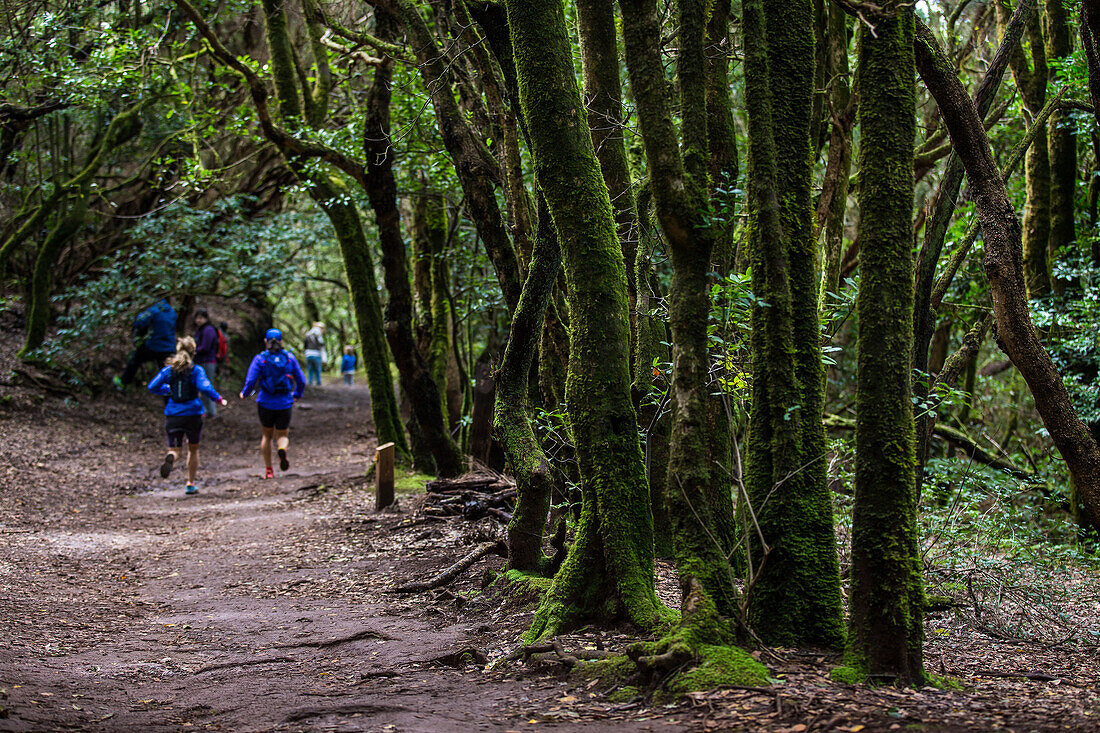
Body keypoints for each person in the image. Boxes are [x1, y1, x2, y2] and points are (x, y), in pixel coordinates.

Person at [147, 336, 227, 495]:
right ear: (193, 352)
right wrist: (218, 399)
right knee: (193, 449)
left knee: (175, 449)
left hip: (173, 414)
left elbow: (152, 386)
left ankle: (171, 457)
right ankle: (190, 483)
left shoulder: (168, 371)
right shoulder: (196, 370)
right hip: (193, 414)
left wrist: (167, 390)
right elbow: (205, 387)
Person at [239, 328, 306, 479]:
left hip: (265, 402)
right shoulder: (289, 358)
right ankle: (282, 448)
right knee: (282, 434)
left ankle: (269, 470)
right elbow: (301, 380)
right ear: (281, 341)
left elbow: (251, 381)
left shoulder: (260, 359)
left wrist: (245, 393)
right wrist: (297, 394)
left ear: (265, 342)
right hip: (284, 402)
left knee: (267, 436)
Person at [115, 298, 177, 390]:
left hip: (154, 346)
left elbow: (140, 322)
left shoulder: (155, 310)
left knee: (136, 359)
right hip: (168, 348)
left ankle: (124, 381)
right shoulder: (172, 312)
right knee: (167, 375)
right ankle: (170, 400)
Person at [192, 309, 220, 418]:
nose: (198, 320)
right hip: (200, 361)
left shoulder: (208, 330)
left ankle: (211, 411)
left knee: (207, 387)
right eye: (197, 318)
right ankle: (205, 410)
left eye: (201, 318)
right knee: (201, 387)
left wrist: (193, 351)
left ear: (206, 319)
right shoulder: (200, 329)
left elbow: (205, 347)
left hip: (208, 362)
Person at [303, 322, 325, 386]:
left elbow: (305, 345)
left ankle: (310, 382)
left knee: (310, 369)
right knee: (317, 370)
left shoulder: (308, 335)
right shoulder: (319, 335)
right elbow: (321, 345)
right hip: (316, 354)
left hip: (308, 354)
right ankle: (318, 383)